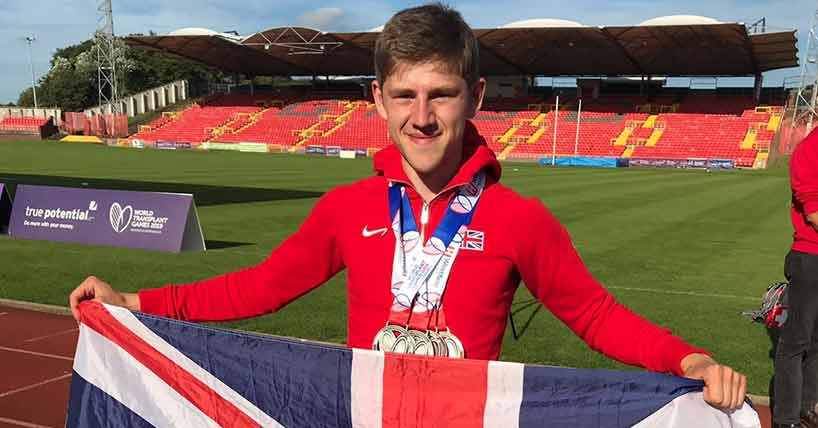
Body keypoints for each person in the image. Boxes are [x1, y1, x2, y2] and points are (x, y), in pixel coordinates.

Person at [69, 3, 746, 411]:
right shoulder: (345, 208)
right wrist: (137, 302)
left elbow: (594, 314)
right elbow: (261, 287)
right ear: (378, 97)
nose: (422, 118)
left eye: (441, 94)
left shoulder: (518, 219)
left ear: (475, 96)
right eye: (405, 95)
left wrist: (688, 361)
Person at [774, 128, 818, 428]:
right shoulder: (810, 149)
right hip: (810, 258)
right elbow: (813, 209)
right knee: (796, 342)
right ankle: (786, 419)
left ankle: (808, 406)